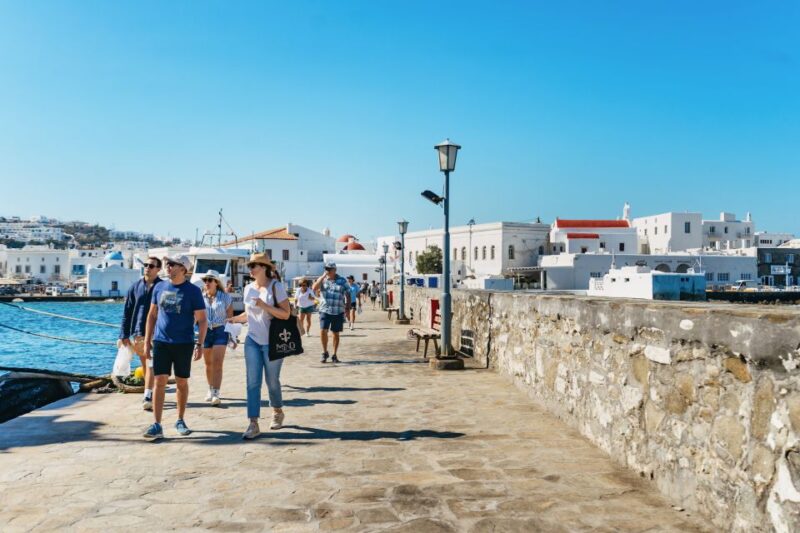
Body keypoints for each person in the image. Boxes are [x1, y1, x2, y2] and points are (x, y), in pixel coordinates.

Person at [142, 255, 207, 440]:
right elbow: (152, 315)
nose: (167, 267)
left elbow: (202, 320)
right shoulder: (159, 287)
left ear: (183, 269)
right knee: (159, 380)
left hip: (184, 343)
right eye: (167, 264)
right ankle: (156, 424)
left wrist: (200, 344)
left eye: (172, 264)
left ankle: (180, 419)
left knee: (181, 382)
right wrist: (147, 341)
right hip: (161, 342)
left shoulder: (193, 292)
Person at [227, 253, 291, 439]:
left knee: (272, 381)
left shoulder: (275, 286)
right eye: (250, 266)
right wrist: (233, 320)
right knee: (252, 382)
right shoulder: (248, 289)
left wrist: (264, 305)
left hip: (273, 342)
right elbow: (248, 315)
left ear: (264, 267)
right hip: (252, 341)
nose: (250, 269)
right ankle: (253, 423)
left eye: (253, 266)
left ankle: (277, 411)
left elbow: (285, 314)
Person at [118, 256, 163, 411]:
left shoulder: (163, 287)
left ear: (158, 269)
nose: (148, 268)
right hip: (139, 332)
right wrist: (123, 335)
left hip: (159, 332)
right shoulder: (135, 287)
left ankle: (148, 394)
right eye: (146, 265)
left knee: (151, 364)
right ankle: (149, 392)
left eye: (151, 266)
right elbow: (127, 312)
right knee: (145, 364)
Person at [201, 270, 233, 407]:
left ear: (216, 282)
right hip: (205, 331)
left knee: (218, 362)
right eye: (205, 280)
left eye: (210, 280)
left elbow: (230, 317)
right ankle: (210, 388)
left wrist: (232, 337)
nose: (207, 283)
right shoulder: (200, 297)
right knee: (208, 363)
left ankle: (216, 392)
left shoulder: (225, 297)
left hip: (220, 330)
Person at [312, 261, 350, 363]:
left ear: (334, 270)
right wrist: (322, 276)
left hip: (338, 310)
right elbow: (314, 288)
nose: (327, 271)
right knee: (323, 330)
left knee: (335, 333)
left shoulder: (342, 280)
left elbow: (348, 293)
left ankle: (334, 354)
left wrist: (348, 308)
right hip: (325, 309)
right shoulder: (322, 280)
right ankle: (324, 352)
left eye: (329, 269)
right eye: (326, 269)